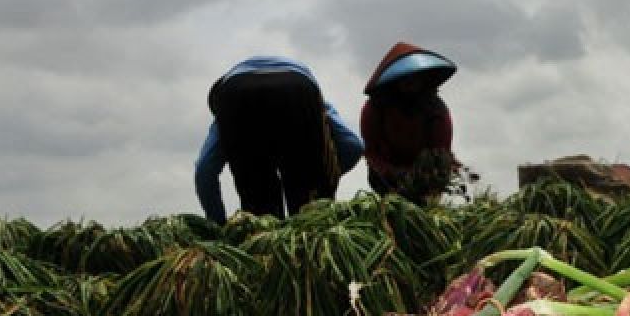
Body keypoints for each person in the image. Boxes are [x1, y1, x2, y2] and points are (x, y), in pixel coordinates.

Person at [195, 56, 364, 223]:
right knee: (311, 219)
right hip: (298, 85)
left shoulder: (225, 111)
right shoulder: (320, 104)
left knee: (262, 219)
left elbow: (204, 169)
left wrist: (217, 223)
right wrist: (323, 176)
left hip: (236, 93)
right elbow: (354, 145)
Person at [360, 42, 460, 202]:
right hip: (385, 178)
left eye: (415, 78)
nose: (410, 83)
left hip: (425, 179)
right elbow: (371, 151)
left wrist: (427, 179)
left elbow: (441, 153)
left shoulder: (436, 111)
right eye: (405, 78)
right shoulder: (376, 107)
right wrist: (392, 173)